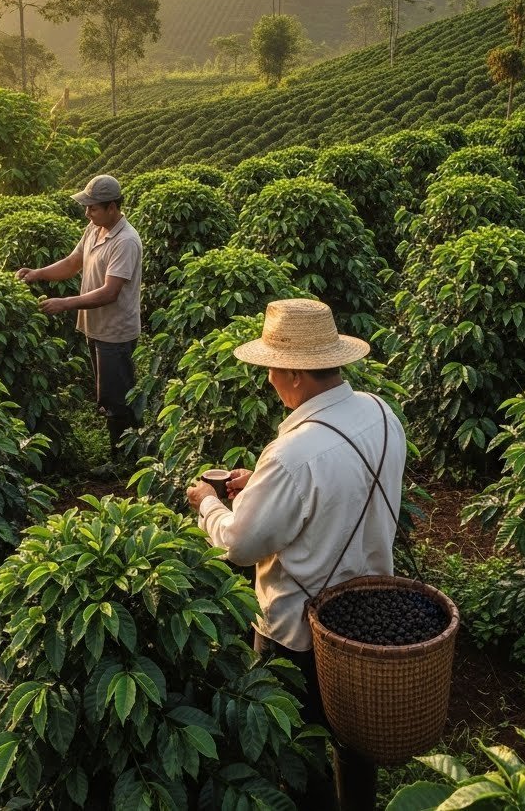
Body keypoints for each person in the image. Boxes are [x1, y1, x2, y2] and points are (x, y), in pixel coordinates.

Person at [186, 297, 406, 811]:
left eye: (271, 370)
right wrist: (259, 484)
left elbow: (240, 545)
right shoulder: (379, 412)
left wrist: (209, 503)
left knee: (301, 751)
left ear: (296, 374)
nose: (267, 381)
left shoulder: (290, 454)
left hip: (298, 633)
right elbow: (341, 492)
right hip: (367, 615)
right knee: (355, 739)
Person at [16, 174, 142, 453]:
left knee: (117, 397)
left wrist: (65, 303)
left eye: (93, 207)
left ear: (112, 207)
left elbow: (111, 292)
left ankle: (126, 457)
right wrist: (39, 274)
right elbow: (73, 263)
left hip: (115, 331)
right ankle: (124, 450)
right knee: (107, 394)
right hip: (95, 327)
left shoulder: (126, 241)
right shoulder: (94, 229)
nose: (87, 212)